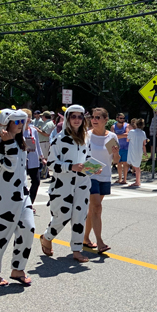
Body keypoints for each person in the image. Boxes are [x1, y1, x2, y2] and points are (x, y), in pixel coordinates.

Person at [0, 108, 35, 287]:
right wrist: (9, 143)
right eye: (17, 122)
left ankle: (18, 269)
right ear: (6, 123)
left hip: (21, 196)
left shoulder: (19, 142)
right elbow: (10, 167)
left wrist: (27, 197)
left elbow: (21, 172)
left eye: (23, 122)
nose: (21, 125)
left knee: (28, 229)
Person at [40, 105, 92, 263]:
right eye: (73, 116)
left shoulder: (85, 138)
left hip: (82, 183)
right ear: (68, 119)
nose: (76, 119)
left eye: (80, 116)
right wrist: (70, 167)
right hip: (63, 185)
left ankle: (77, 250)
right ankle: (47, 237)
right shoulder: (59, 139)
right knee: (62, 215)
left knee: (79, 217)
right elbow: (50, 164)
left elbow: (88, 157)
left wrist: (92, 168)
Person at [83, 107, 120, 253]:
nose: (94, 120)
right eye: (93, 117)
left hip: (105, 175)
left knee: (94, 209)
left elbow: (116, 160)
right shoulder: (87, 136)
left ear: (106, 120)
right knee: (97, 207)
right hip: (90, 175)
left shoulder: (111, 137)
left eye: (98, 117)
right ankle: (100, 242)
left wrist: (116, 154)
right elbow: (81, 156)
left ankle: (85, 238)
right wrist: (90, 169)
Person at [22, 109, 46, 205]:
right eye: (25, 117)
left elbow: (37, 144)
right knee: (21, 183)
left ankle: (30, 203)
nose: (27, 119)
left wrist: (42, 157)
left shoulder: (33, 130)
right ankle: (23, 203)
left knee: (36, 181)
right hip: (22, 160)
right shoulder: (17, 130)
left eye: (29, 117)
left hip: (33, 159)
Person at [127, 118, 147, 188]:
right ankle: (137, 181)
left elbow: (127, 140)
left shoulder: (131, 132)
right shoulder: (143, 133)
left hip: (133, 150)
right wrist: (145, 152)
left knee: (136, 167)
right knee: (137, 166)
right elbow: (144, 143)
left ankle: (137, 181)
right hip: (139, 150)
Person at [112, 113, 130, 185]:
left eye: (123, 118)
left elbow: (127, 134)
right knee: (118, 163)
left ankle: (124, 179)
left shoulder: (127, 125)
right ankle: (119, 178)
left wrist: (117, 136)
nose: (122, 120)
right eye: (120, 118)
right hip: (117, 147)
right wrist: (122, 135)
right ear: (117, 118)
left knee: (125, 163)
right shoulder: (113, 126)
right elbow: (112, 136)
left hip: (126, 147)